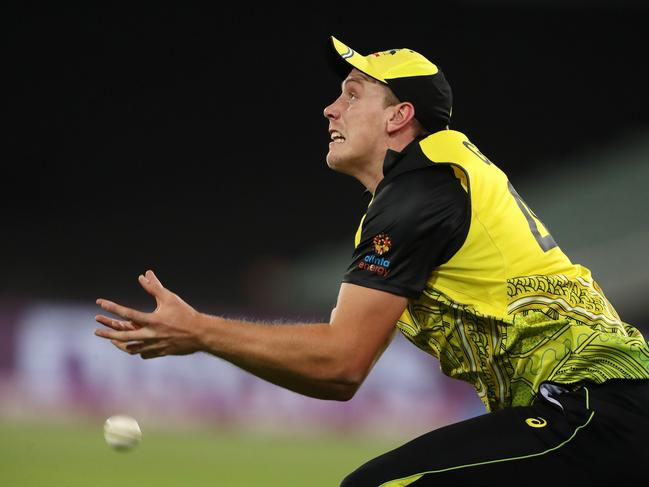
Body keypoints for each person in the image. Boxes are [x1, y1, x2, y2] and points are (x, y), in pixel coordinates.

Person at [94, 36, 649, 484]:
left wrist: (200, 331)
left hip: (593, 413)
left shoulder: (423, 187)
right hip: (599, 412)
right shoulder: (432, 182)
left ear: (399, 116)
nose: (331, 108)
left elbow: (341, 363)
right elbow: (341, 373)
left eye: (354, 94)